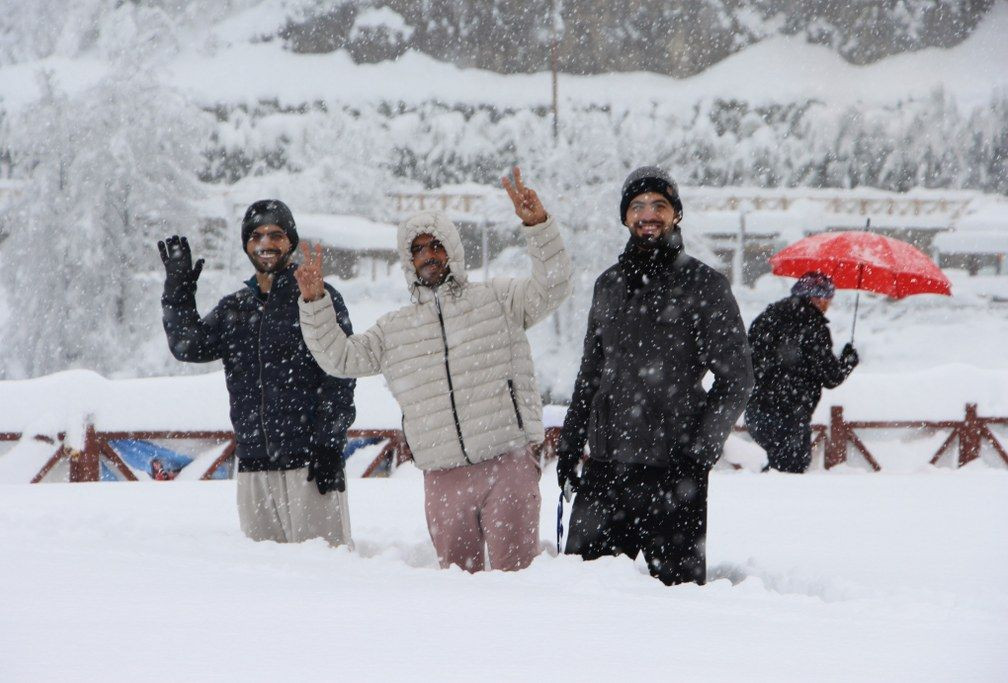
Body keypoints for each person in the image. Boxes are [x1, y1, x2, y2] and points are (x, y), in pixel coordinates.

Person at [296, 167, 571, 573]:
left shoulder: (498, 300)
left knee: (520, 579)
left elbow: (552, 287)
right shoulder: (395, 329)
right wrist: (316, 302)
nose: (428, 254)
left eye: (436, 244)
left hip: (506, 462)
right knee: (457, 587)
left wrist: (538, 227)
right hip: (443, 476)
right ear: (409, 261)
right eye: (418, 249)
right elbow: (340, 358)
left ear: (453, 250)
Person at [556, 165, 753, 586]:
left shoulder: (704, 285)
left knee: (677, 605)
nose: (649, 214)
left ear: (676, 214)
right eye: (638, 206)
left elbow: (737, 379)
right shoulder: (607, 285)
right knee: (583, 591)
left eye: (659, 205)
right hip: (606, 469)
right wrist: (571, 446)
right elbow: (591, 374)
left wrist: (698, 453)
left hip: (673, 473)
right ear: (625, 217)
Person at [158, 199, 356, 545]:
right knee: (264, 581)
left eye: (276, 234)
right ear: (246, 245)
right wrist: (178, 293)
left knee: (326, 575)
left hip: (310, 465)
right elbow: (187, 347)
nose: (266, 243)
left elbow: (340, 374)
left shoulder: (316, 297)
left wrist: (329, 446)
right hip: (252, 466)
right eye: (256, 236)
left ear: (290, 241)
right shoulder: (235, 307)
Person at [745, 271, 859, 473]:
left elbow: (747, 359)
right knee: (790, 472)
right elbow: (831, 377)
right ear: (816, 298)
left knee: (777, 471)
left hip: (756, 409)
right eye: (827, 299)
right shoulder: (813, 327)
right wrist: (848, 361)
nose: (828, 305)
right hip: (790, 415)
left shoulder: (767, 317)